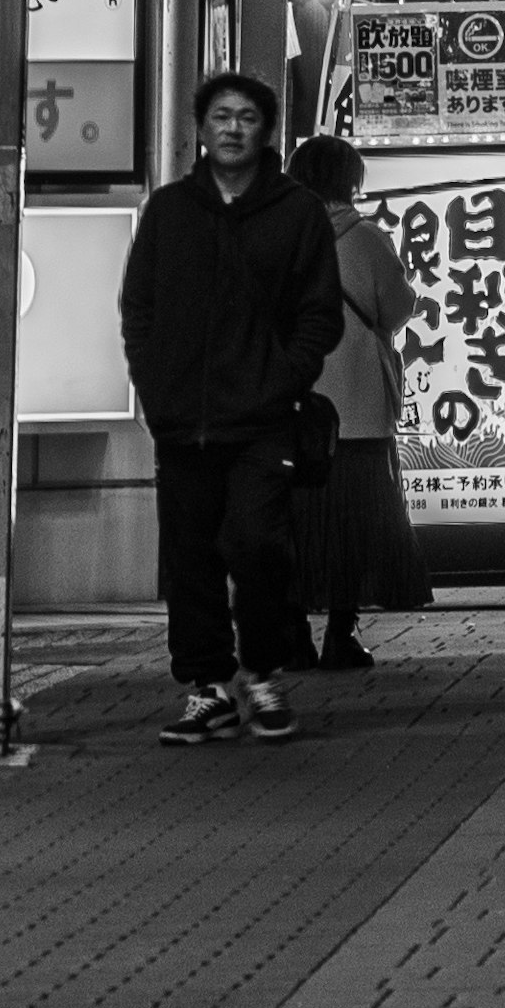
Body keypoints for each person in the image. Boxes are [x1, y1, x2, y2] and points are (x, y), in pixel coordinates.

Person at [117, 68, 347, 746]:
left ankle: (265, 674)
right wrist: (156, 386)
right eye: (221, 116)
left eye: (246, 116)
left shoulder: (296, 211)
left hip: (263, 418)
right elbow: (140, 308)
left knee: (257, 544)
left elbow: (319, 315)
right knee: (189, 556)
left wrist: (284, 378)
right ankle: (208, 688)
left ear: (266, 129)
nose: (233, 128)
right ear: (202, 126)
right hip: (182, 419)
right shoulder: (170, 210)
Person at [290, 136, 429, 674]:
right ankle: (340, 635)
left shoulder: (279, 237)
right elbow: (395, 310)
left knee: (297, 523)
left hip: (295, 406)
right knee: (353, 523)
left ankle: (292, 635)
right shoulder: (367, 238)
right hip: (358, 409)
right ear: (352, 180)